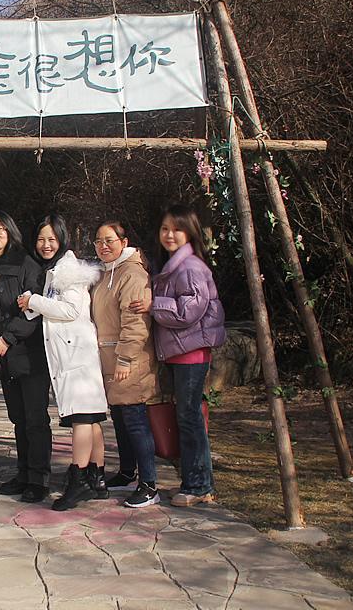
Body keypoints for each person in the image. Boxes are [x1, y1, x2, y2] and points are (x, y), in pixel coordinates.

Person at [133, 204, 226, 507]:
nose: (169, 234)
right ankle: (197, 483)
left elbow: (189, 311)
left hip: (192, 352)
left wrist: (153, 304)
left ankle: (199, 486)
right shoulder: (173, 264)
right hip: (181, 352)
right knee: (188, 418)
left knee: (190, 420)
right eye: (164, 228)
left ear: (190, 232)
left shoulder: (191, 267)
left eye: (176, 229)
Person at [17, 215, 109, 510]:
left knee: (82, 418)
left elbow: (69, 310)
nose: (45, 245)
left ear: (62, 239)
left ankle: (78, 481)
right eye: (41, 239)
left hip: (75, 355)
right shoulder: (56, 270)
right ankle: (97, 479)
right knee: (92, 418)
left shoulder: (67, 269)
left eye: (51, 239)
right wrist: (33, 304)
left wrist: (33, 301)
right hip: (75, 354)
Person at [0, 210, 51, 503]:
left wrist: (8, 337)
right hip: (4, 355)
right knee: (18, 418)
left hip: (28, 352)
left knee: (35, 418)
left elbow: (35, 308)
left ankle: (39, 478)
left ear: (9, 231)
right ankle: (23, 473)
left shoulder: (26, 263)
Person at [91, 220, 162, 509]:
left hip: (129, 360)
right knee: (120, 419)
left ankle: (149, 484)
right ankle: (127, 471)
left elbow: (135, 323)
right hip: (108, 357)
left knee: (134, 419)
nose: (103, 246)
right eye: (98, 241)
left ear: (124, 241)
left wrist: (125, 358)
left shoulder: (132, 274)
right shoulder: (107, 273)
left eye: (109, 240)